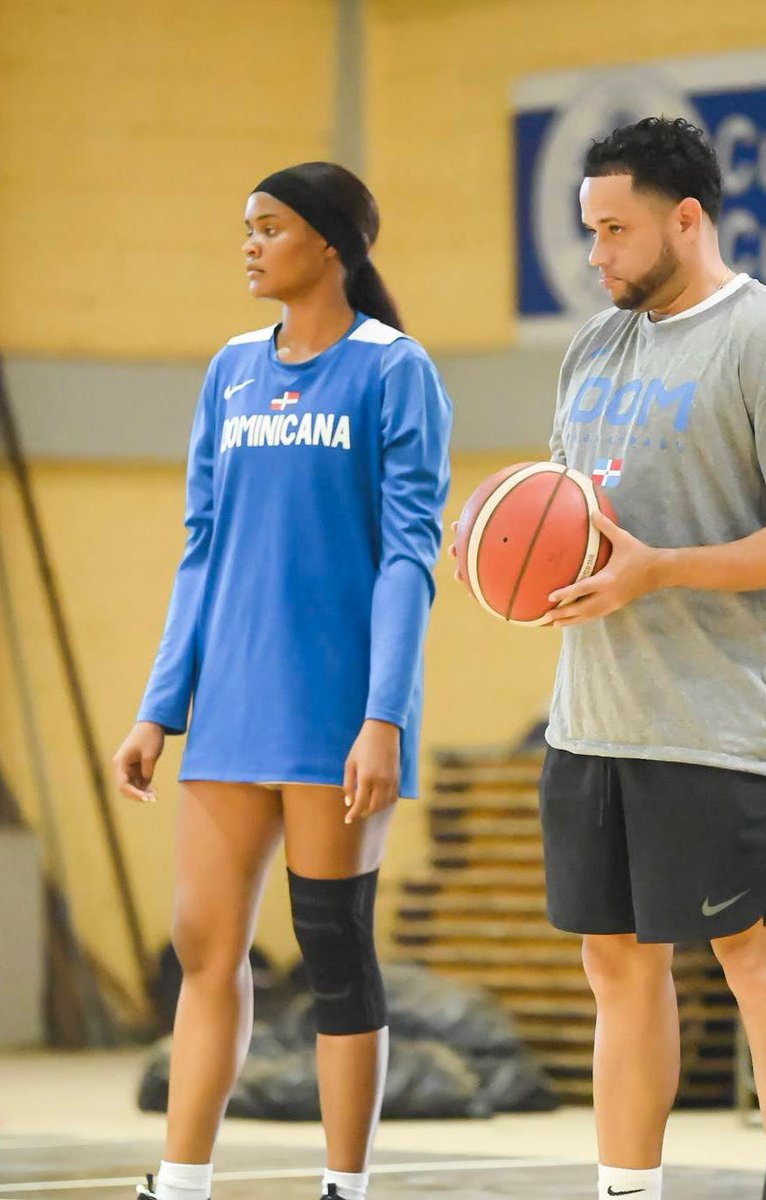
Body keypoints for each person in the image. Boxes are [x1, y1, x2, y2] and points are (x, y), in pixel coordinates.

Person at [454, 116, 766, 1200]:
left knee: (754, 961)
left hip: (717, 718)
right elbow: (571, 515)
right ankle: (626, 1191)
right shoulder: (596, 348)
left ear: (686, 219)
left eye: (615, 230)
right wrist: (501, 536)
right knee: (613, 967)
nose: (596, 255)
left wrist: (663, 568)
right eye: (588, 230)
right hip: (590, 713)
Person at [114, 161, 452, 1200]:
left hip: (335, 714)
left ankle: (343, 1188)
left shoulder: (394, 371)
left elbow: (409, 556)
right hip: (232, 712)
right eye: (246, 228)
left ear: (331, 244)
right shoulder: (229, 372)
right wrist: (159, 707)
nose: (251, 244)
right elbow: (201, 548)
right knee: (205, 948)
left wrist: (383, 716)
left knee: (334, 953)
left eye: (271, 227)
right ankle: (180, 1180)